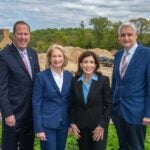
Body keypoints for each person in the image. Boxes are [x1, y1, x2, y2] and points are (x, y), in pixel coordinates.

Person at [0, 21, 40, 150]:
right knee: (9, 146)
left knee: (27, 146)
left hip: (30, 114)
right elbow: (2, 87)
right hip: (13, 115)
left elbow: (37, 82)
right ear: (13, 35)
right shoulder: (4, 56)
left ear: (30, 35)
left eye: (26, 34)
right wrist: (7, 113)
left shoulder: (33, 53)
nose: (23, 37)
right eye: (19, 34)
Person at [112, 22, 150, 150]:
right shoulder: (117, 55)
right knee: (123, 146)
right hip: (118, 110)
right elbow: (115, 83)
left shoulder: (147, 54)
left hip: (136, 112)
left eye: (129, 34)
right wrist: (112, 106)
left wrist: (148, 112)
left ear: (136, 35)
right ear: (119, 38)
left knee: (136, 147)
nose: (126, 38)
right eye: (123, 35)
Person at [32, 44, 73, 150]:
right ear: (49, 58)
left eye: (60, 56)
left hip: (63, 124)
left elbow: (69, 102)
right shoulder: (41, 77)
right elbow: (36, 103)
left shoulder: (69, 76)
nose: (57, 59)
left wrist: (70, 124)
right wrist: (38, 128)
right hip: (46, 125)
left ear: (64, 58)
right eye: (54, 56)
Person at [69, 51, 112, 150]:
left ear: (96, 64)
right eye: (85, 62)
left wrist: (102, 125)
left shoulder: (103, 80)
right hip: (81, 128)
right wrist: (72, 122)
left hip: (98, 128)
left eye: (92, 62)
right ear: (80, 64)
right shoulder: (74, 81)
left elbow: (109, 105)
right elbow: (71, 104)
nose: (88, 65)